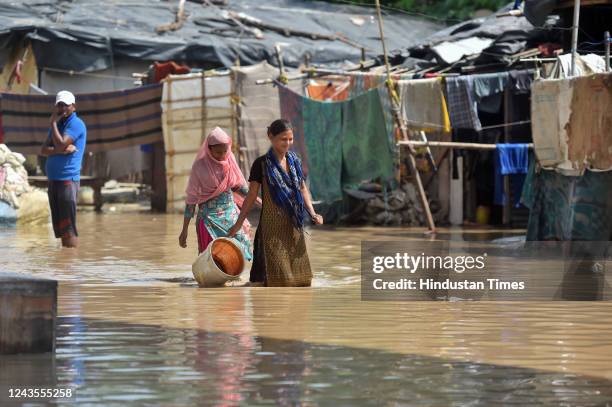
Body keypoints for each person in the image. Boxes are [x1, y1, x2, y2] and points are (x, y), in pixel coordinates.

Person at [228, 119, 323, 287]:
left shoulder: (295, 161)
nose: (288, 143)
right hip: (272, 225)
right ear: (270, 137)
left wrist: (312, 212)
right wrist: (238, 224)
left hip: (293, 225)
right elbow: (250, 196)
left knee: (301, 279)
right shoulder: (261, 164)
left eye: (290, 139)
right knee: (278, 278)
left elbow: (302, 188)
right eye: (283, 139)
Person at [179, 127, 253, 259]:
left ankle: (232, 276)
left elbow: (236, 185)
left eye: (225, 151)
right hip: (208, 218)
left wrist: (255, 197)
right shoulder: (200, 167)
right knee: (212, 255)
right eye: (218, 152)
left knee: (237, 247)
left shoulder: (229, 160)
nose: (223, 155)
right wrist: (184, 230)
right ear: (209, 149)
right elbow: (191, 201)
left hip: (230, 215)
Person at [40, 90, 87, 248]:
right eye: (59, 105)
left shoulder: (76, 124)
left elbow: (59, 144)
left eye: (66, 105)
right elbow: (44, 150)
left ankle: (70, 266)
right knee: (60, 228)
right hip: (54, 180)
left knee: (68, 229)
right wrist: (59, 149)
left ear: (73, 106)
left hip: (68, 180)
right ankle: (64, 267)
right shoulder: (58, 126)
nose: (62, 108)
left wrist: (52, 123)